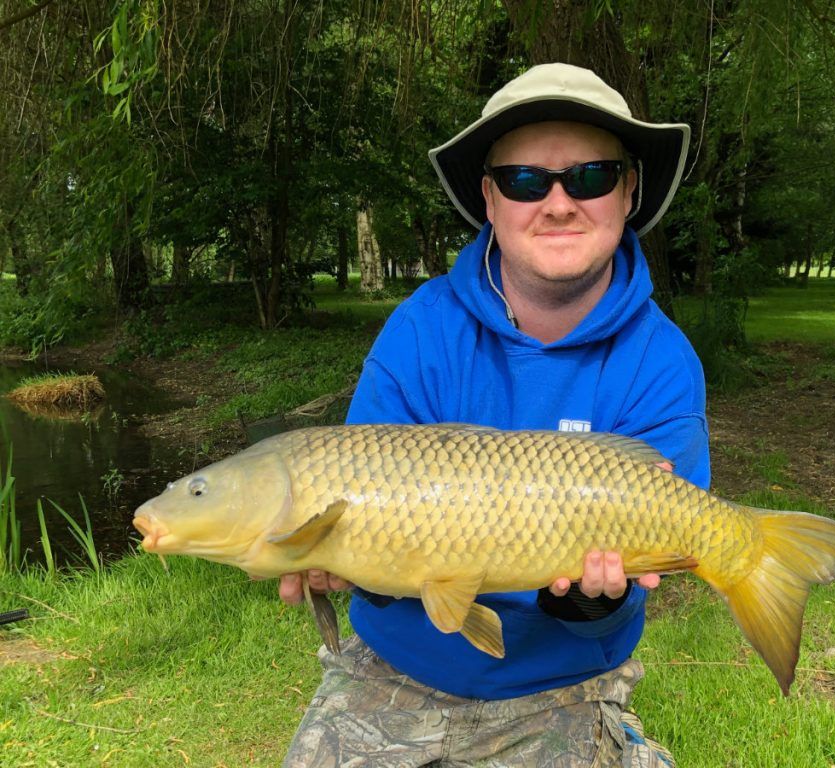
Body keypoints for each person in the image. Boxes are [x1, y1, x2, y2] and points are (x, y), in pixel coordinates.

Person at [280, 62, 709, 767]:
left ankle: (620, 740)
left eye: (592, 177)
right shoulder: (419, 332)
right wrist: (344, 563)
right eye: (526, 181)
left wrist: (596, 600)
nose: (559, 203)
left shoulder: (662, 363)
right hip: (400, 664)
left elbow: (637, 588)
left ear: (629, 189)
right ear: (489, 197)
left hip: (563, 674)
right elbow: (360, 520)